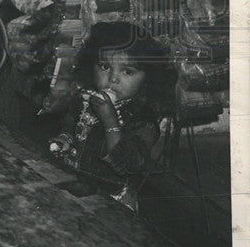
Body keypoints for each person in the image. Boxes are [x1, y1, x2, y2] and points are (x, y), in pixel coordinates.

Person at [49, 22, 175, 211]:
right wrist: (64, 138)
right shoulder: (87, 98)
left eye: (127, 71)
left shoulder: (143, 121)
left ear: (148, 77)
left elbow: (127, 165)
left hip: (109, 201)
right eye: (105, 67)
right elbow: (71, 120)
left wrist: (110, 122)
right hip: (76, 184)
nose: (113, 78)